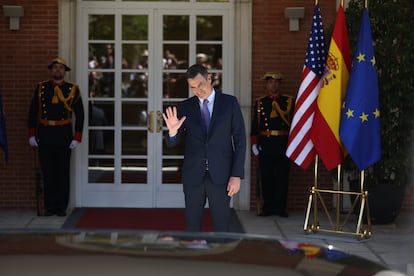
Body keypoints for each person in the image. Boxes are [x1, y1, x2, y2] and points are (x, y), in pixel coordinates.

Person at [162, 64, 246, 232]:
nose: (197, 90)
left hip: (221, 175)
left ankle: (221, 257)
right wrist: (172, 132)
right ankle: (195, 256)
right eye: (193, 87)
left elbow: (240, 140)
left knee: (222, 226)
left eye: (200, 85)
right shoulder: (185, 107)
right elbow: (172, 144)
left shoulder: (229, 103)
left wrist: (236, 175)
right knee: (192, 226)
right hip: (193, 175)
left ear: (209, 78)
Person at [28, 58, 84, 217]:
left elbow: (80, 114)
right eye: (55, 67)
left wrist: (77, 137)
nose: (57, 70)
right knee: (48, 172)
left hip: (63, 133)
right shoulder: (41, 88)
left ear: (64, 71)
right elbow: (33, 112)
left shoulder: (72, 89)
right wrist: (32, 134)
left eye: (60, 68)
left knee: (62, 172)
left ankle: (61, 207)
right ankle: (49, 206)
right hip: (45, 133)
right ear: (51, 70)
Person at [250, 72, 294, 217]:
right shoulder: (260, 102)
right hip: (266, 144)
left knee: (282, 178)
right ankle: (267, 207)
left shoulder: (288, 101)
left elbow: (294, 125)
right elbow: (255, 125)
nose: (273, 85)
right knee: (266, 177)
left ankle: (280, 208)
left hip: (283, 144)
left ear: (279, 84)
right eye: (270, 82)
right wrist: (254, 143)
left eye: (276, 82)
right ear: (266, 85)